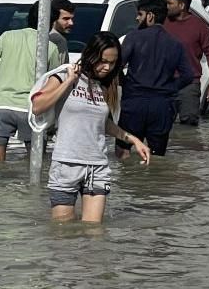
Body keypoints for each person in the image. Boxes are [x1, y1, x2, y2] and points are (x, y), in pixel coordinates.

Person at [31, 32, 150, 223]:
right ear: (91, 55)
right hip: (65, 165)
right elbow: (38, 106)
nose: (107, 68)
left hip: (97, 167)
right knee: (63, 231)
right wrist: (70, 81)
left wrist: (132, 139)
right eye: (103, 61)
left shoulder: (104, 86)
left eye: (112, 63)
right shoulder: (63, 75)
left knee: (94, 233)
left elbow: (101, 123)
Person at [114, 0, 194, 160]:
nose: (137, 18)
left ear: (150, 16)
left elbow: (116, 67)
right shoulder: (175, 43)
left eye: (140, 14)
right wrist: (169, 88)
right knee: (157, 157)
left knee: (123, 150)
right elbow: (188, 76)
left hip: (134, 103)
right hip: (162, 106)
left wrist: (125, 83)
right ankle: (152, 185)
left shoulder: (133, 37)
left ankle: (127, 185)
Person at [0, 1, 62, 161]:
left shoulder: (8, 36)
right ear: (51, 22)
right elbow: (55, 79)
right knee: (35, 160)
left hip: (1, 106)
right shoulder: (50, 47)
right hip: (30, 109)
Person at [164, 0, 209, 126]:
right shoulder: (163, 23)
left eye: (170, 3)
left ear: (181, 5)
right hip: (165, 83)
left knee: (189, 126)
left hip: (189, 84)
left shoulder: (199, 26)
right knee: (162, 125)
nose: (167, 6)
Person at [49, 0, 76, 65]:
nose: (71, 23)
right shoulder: (58, 39)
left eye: (71, 18)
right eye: (66, 19)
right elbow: (59, 71)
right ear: (54, 18)